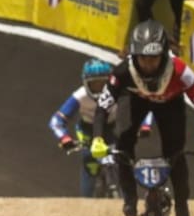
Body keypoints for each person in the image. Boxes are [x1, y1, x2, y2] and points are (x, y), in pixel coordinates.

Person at [91, 20, 194, 216]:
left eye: (154, 58)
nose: (148, 64)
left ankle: (182, 204)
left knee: (175, 151)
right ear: (134, 56)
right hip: (134, 100)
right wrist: (97, 138)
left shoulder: (181, 71)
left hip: (170, 103)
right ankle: (129, 196)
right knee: (122, 142)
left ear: (164, 54)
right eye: (143, 58)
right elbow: (102, 108)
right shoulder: (122, 72)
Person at [49, 58, 152, 197]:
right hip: (87, 131)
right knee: (90, 165)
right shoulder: (80, 96)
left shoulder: (121, 91)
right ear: (85, 84)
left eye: (102, 84)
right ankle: (86, 200)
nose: (99, 88)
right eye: (94, 84)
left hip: (112, 128)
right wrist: (65, 138)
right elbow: (56, 120)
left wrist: (145, 125)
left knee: (123, 160)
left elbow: (144, 107)